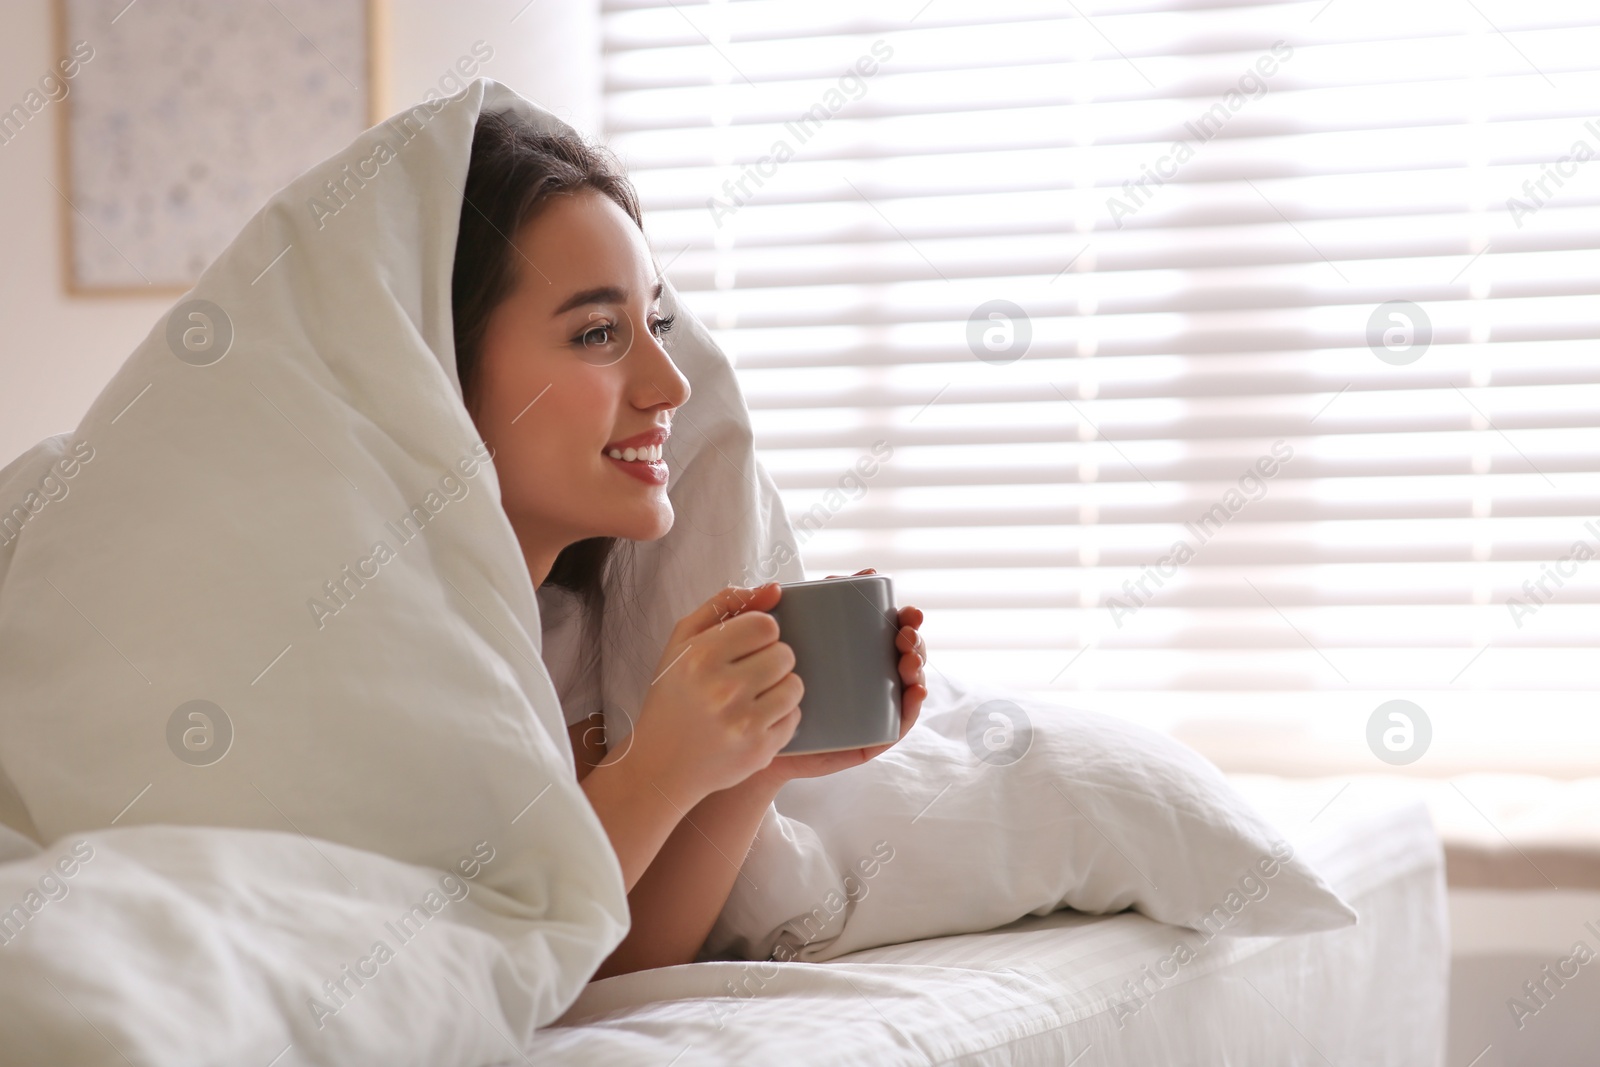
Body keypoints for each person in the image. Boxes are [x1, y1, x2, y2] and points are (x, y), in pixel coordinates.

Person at [449, 110, 929, 978]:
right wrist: (657, 766)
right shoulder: (386, 662)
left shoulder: (571, 639)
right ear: (441, 369)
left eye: (658, 326)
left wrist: (753, 767)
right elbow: (472, 972)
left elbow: (614, 963)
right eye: (598, 333)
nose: (671, 384)